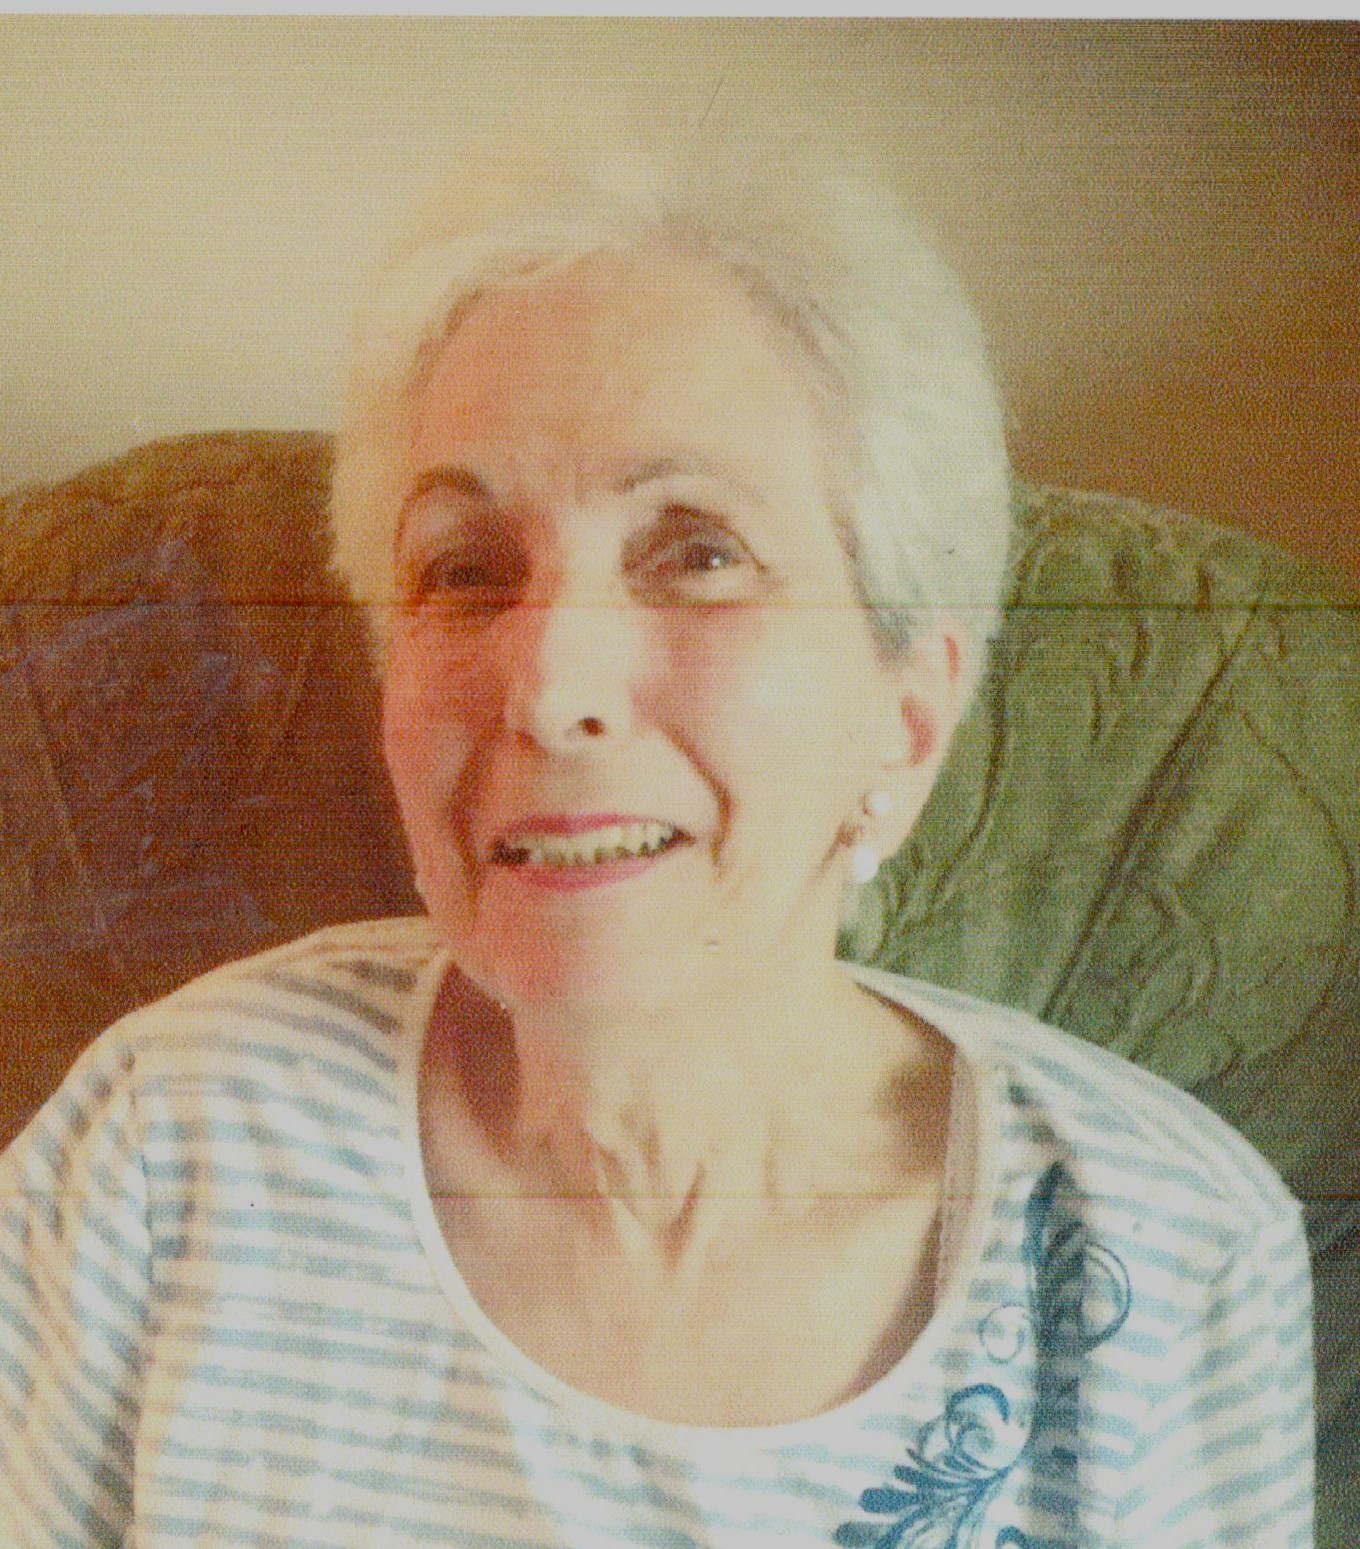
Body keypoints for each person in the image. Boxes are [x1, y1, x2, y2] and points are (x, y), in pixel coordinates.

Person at [0, 135, 1312, 1547]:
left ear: (907, 717)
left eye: (698, 552)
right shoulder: (168, 1141)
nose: (550, 687)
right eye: (465, 569)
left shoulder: (1166, 1250)